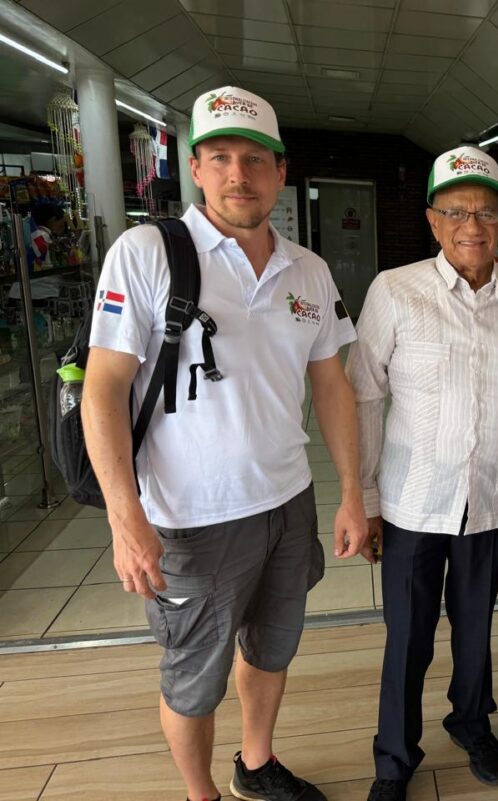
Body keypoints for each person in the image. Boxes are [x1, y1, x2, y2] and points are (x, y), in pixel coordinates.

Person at [82, 86, 371, 801]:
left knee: (271, 648)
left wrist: (352, 494)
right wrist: (126, 519)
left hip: (287, 503)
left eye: (253, 159)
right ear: (197, 169)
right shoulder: (148, 252)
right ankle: (200, 794)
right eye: (218, 159)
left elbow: (332, 385)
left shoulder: (309, 270)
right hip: (187, 518)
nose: (237, 174)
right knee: (193, 673)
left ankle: (256, 762)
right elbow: (103, 390)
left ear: (279, 172)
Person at [347, 145, 498, 801]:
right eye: (457, 211)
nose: (473, 224)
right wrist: (367, 497)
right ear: (434, 220)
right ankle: (393, 757)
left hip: (490, 500)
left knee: (475, 627)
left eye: (487, 211)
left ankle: (470, 720)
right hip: (412, 503)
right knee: (408, 636)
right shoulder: (394, 290)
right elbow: (364, 398)